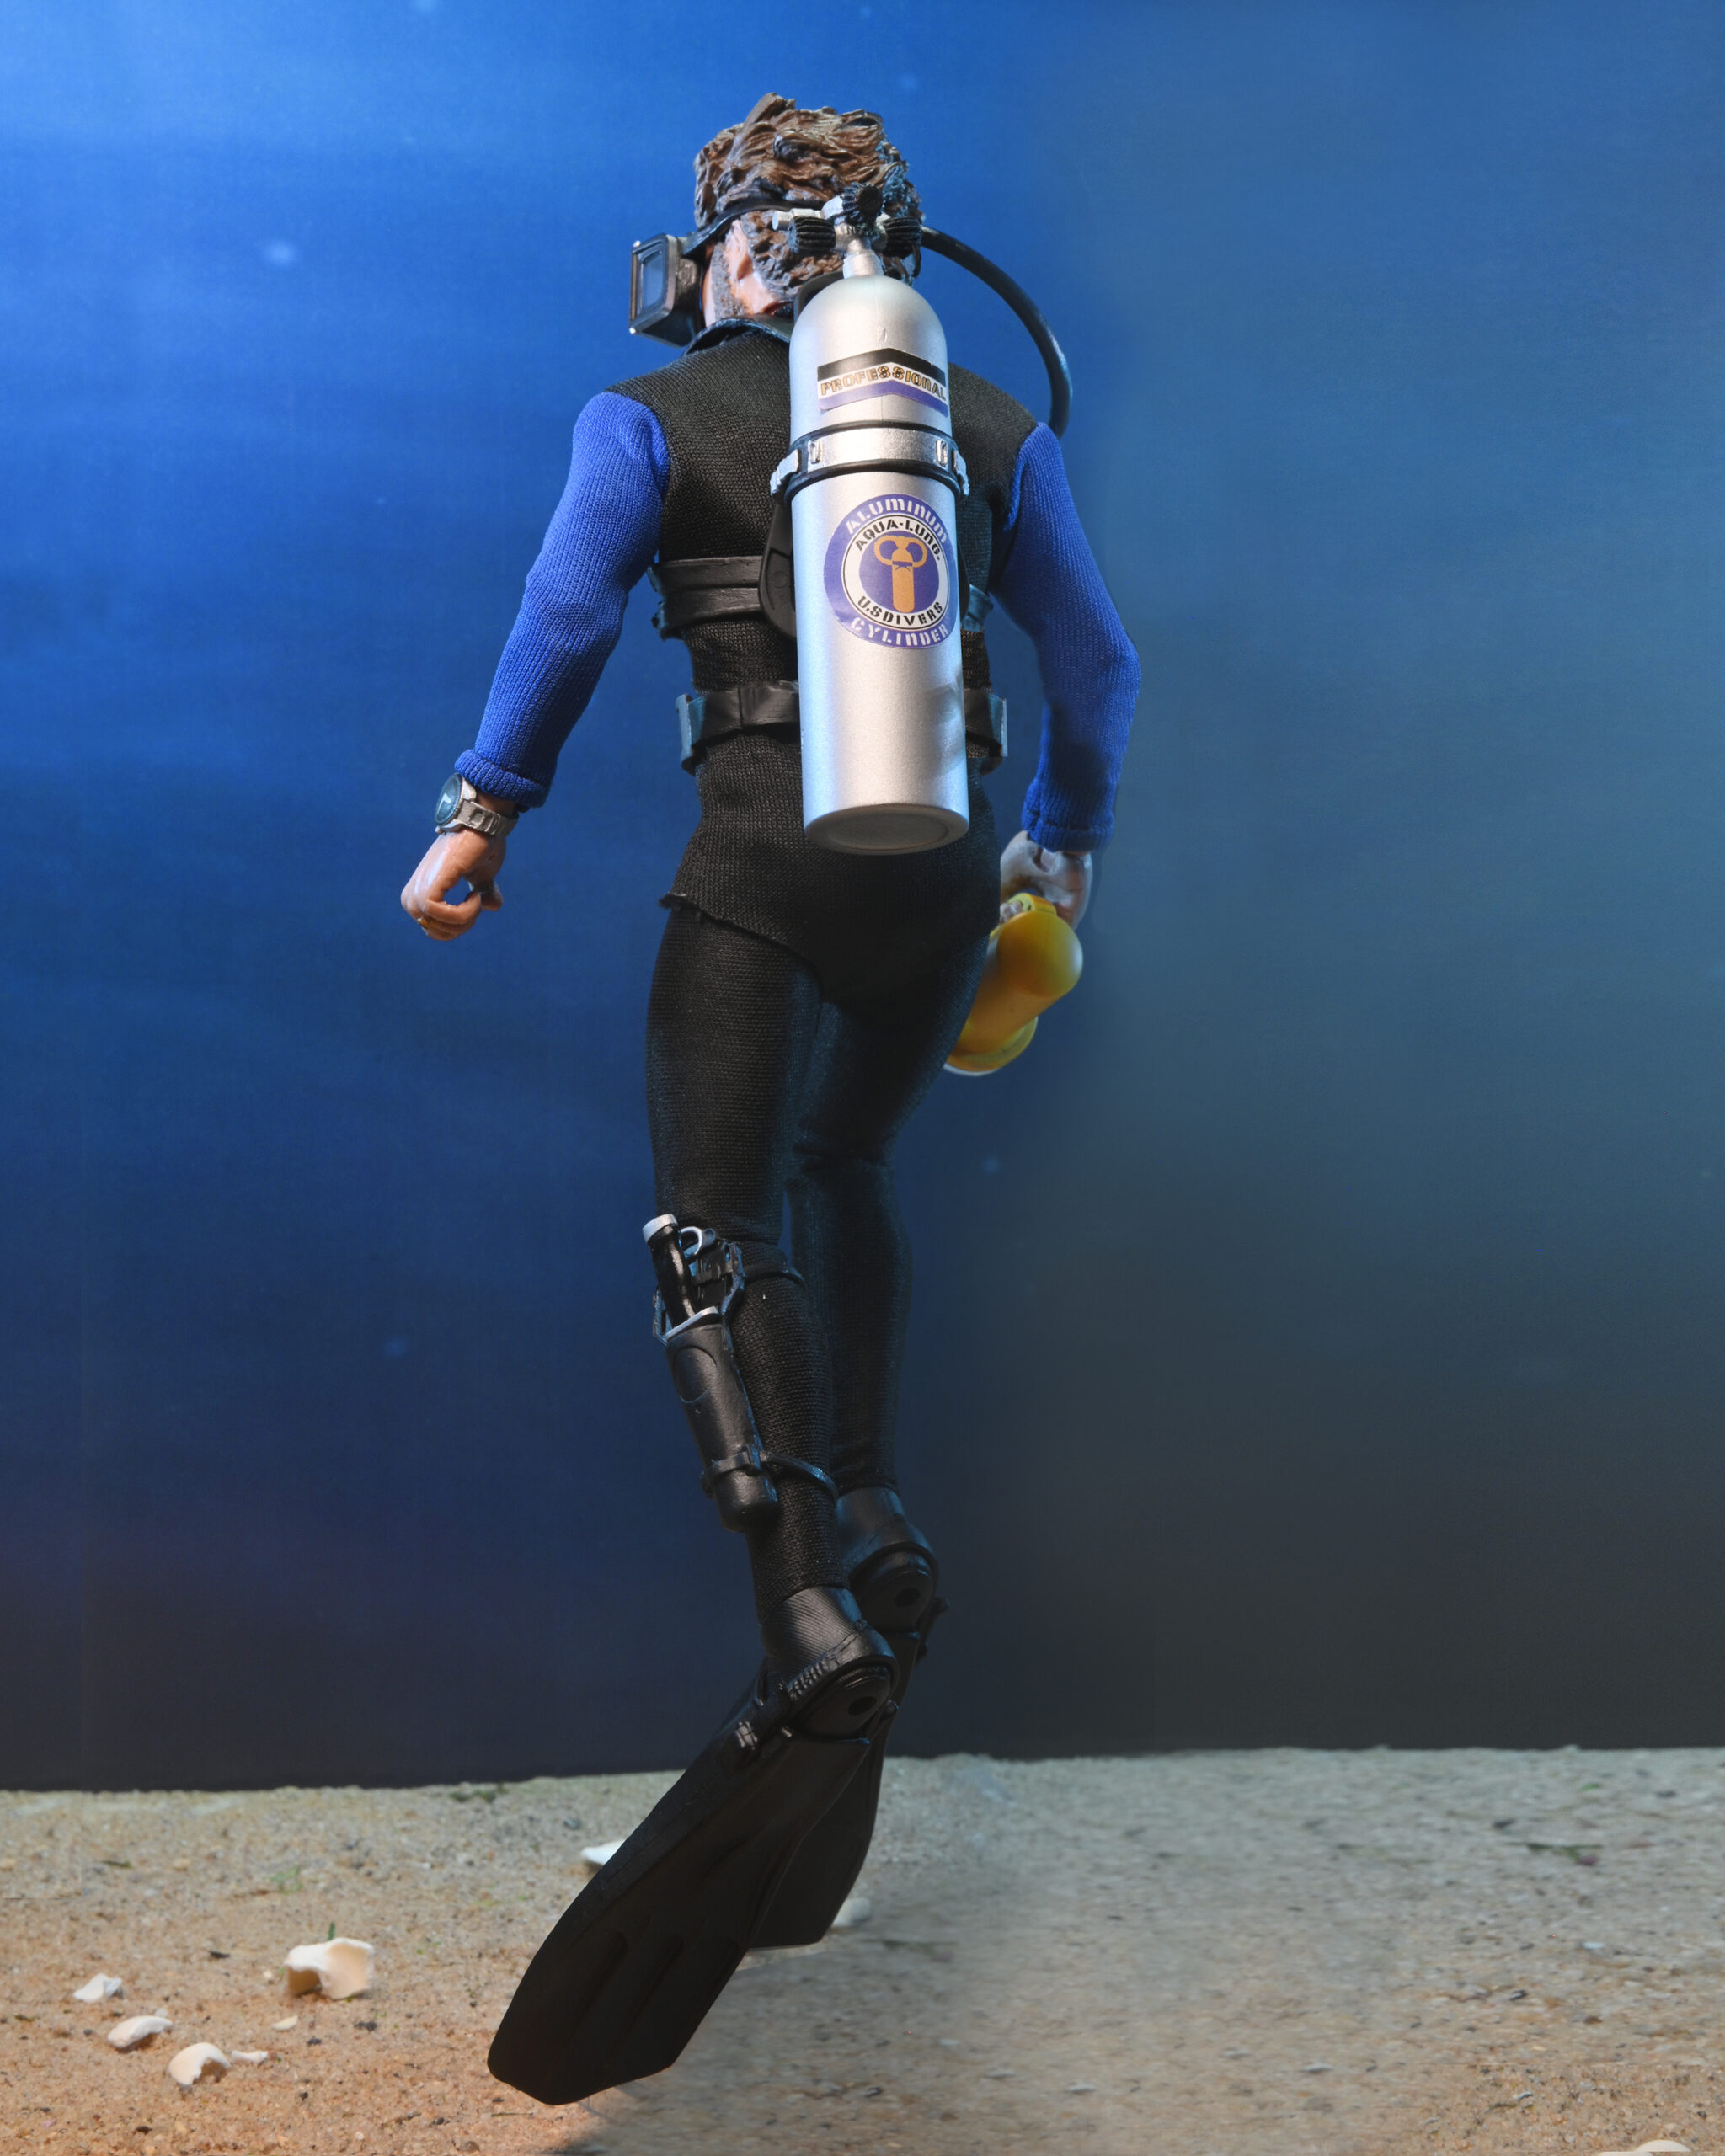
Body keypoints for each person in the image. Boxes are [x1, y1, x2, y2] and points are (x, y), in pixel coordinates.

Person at [400, 95, 1140, 2103]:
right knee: (843, 1168)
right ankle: (874, 1515)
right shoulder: (984, 420)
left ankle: (799, 1606)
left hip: (759, 863)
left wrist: (481, 811)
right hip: (937, 877)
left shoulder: (650, 417)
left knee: (711, 1224)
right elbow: (1099, 667)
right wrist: (1058, 851)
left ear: (732, 246)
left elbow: (564, 618)